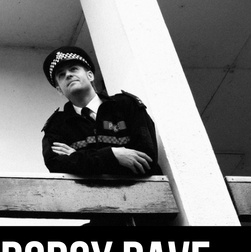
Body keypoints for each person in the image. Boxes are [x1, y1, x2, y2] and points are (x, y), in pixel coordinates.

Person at [40, 46, 161, 177]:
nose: (68, 75)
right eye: (61, 75)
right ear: (59, 90)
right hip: (87, 191)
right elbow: (57, 166)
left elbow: (146, 160)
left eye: (74, 69)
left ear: (90, 75)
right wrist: (113, 155)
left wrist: (77, 158)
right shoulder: (57, 125)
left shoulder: (126, 105)